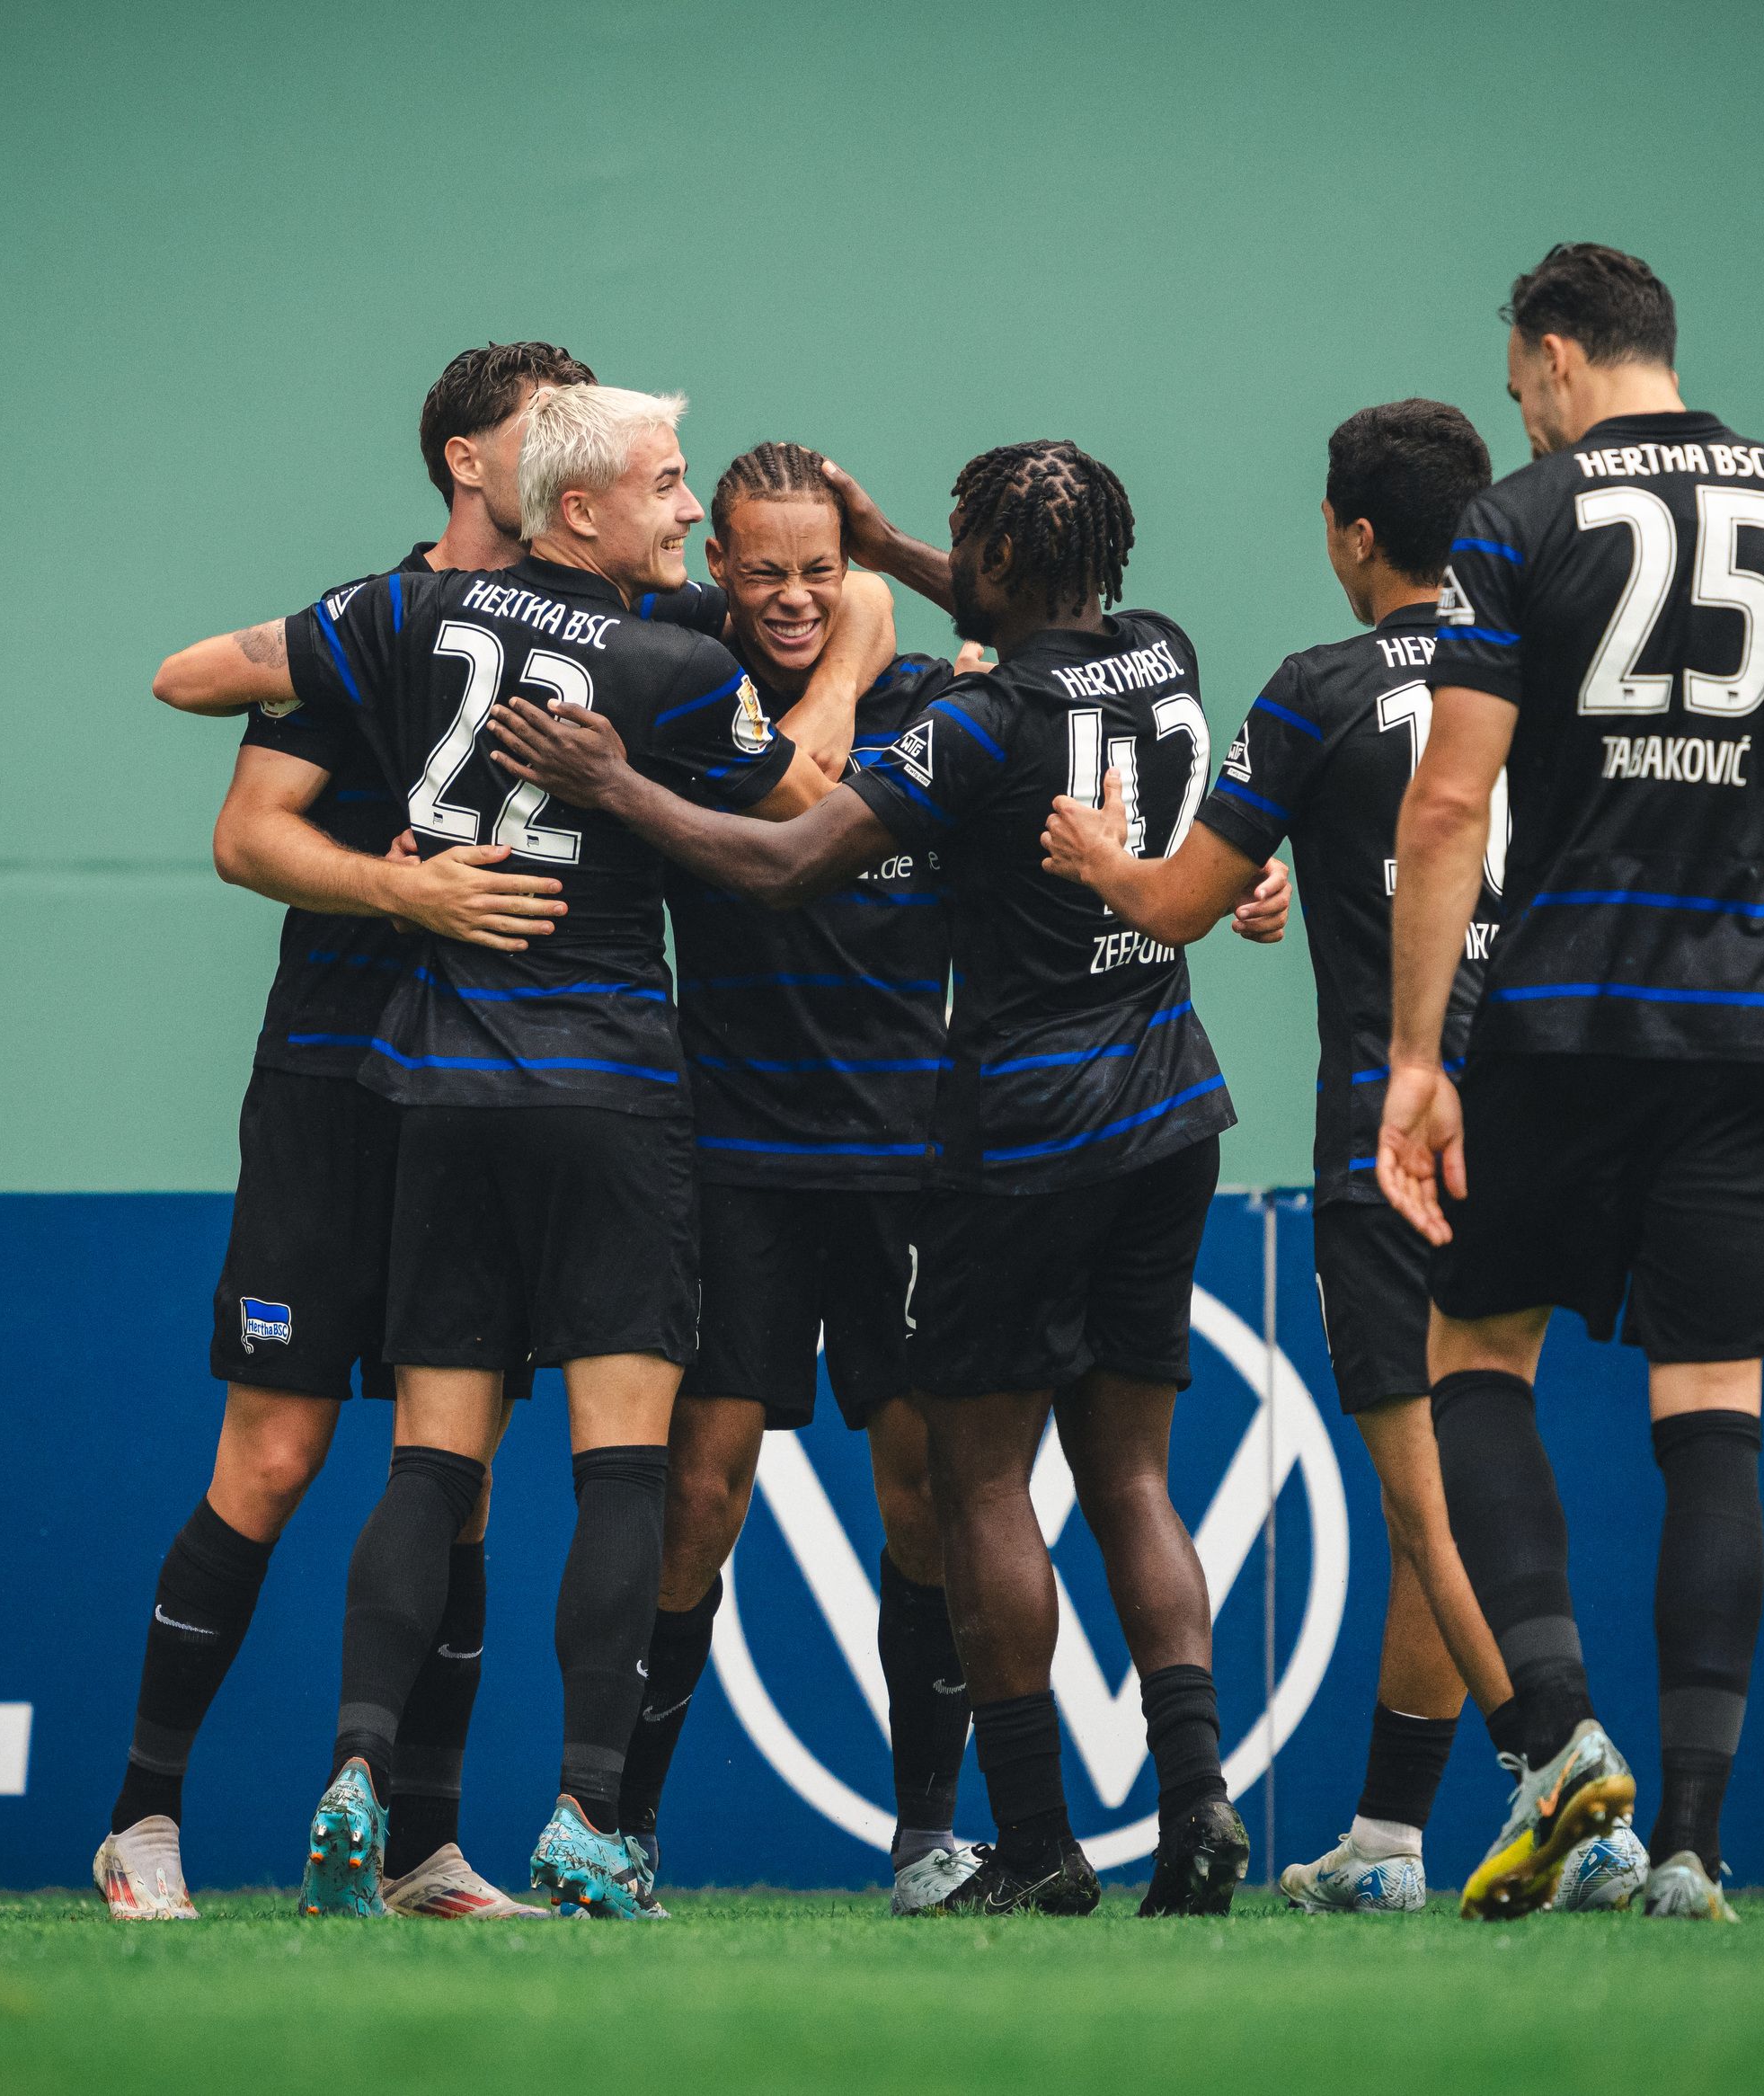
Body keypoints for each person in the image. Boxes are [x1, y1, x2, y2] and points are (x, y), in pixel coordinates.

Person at [489, 441, 1256, 1918]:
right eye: (762, 569)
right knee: (729, 1491)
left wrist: (625, 779)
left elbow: (793, 852)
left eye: (820, 573)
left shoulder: (954, 714)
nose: (792, 597)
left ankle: (964, 1837)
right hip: (792, 1160)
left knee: (949, 1490)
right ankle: (629, 1827)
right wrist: (895, 564)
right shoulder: (679, 689)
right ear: (717, 566)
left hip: (955, 1149)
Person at [172, 380, 825, 1919]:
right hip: (604, 1092)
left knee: (427, 1461)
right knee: (619, 1470)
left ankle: (353, 1768)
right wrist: (852, 639)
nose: (690, 514)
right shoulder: (676, 663)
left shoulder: (402, 618)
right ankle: (587, 1814)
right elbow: (808, 817)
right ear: (580, 508)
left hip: (437, 1093)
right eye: (669, 489)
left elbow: (208, 675)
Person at [1038, 398, 1647, 1915]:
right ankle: (1386, 1841)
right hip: (1551, 1109)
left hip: (1395, 1122)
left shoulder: (1317, 688)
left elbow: (1177, 904)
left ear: (1355, 535)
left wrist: (1100, 859)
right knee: (1452, 1475)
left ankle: (1562, 1767)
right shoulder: (1551, 672)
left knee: (1427, 1491)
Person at [1376, 244, 1764, 1923]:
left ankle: (1558, 1730)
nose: (1520, 410)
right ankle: (1690, 1841)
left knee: (1476, 1351)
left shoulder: (1518, 520)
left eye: (1519, 381)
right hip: (1755, 1015)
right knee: (1715, 1411)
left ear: (1553, 358)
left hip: (1556, 1014)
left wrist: (1418, 1056)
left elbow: (1449, 809)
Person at [93, 340, 594, 1923]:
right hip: (330, 1087)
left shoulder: (602, 636)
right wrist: (408, 887)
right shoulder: (371, 628)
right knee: (280, 1451)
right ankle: (143, 1825)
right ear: (465, 458)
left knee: (463, 1480)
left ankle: (428, 1846)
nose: (573, 454)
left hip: (495, 1101)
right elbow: (245, 833)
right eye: (541, 430)